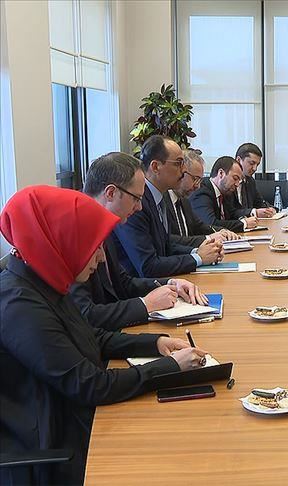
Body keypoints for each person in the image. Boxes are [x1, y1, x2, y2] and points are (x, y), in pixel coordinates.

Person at [0, 185, 209, 485]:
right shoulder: (19, 304)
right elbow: (90, 385)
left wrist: (156, 343)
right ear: (62, 241)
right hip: (60, 446)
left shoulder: (43, 280)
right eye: (94, 247)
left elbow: (90, 337)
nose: (100, 259)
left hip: (78, 418)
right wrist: (170, 367)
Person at [69, 152, 208, 331]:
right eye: (136, 198)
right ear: (111, 193)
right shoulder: (73, 231)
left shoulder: (103, 225)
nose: (139, 207)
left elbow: (122, 282)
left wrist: (171, 284)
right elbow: (86, 315)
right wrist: (145, 304)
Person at [112, 135, 223, 278]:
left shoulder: (159, 196)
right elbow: (148, 266)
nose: (184, 170)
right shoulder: (136, 203)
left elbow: (165, 245)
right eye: (178, 163)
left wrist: (198, 252)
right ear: (155, 167)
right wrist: (198, 258)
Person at [167, 150, 240, 242]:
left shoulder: (184, 200)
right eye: (195, 179)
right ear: (181, 172)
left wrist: (222, 231)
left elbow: (199, 226)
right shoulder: (163, 201)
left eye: (199, 180)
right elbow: (169, 241)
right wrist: (208, 238)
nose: (197, 186)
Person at [189, 156, 259, 233]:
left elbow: (233, 213)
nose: (237, 184)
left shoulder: (225, 192)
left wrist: (249, 215)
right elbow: (211, 223)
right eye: (235, 178)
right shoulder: (202, 192)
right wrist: (244, 224)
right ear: (221, 173)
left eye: (239, 180)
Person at [234, 143, 276, 218]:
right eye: (252, 163)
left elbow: (259, 203)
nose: (255, 169)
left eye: (257, 165)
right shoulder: (228, 182)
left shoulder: (250, 181)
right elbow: (231, 212)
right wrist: (253, 212)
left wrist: (271, 209)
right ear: (238, 160)